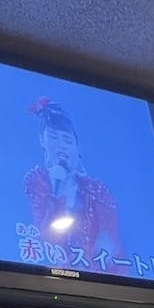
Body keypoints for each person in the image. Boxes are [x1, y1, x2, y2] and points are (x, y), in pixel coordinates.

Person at [22, 97, 126, 272]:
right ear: (43, 141)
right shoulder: (37, 180)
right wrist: (58, 191)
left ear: (77, 149)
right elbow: (46, 237)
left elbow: (110, 245)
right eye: (53, 137)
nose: (61, 146)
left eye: (68, 141)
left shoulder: (98, 191)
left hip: (97, 278)